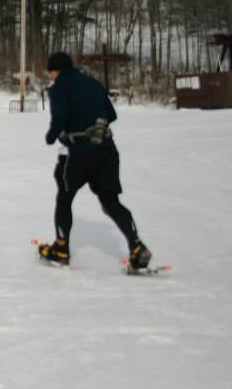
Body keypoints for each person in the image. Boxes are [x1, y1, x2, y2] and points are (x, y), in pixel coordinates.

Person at [36, 52, 152, 271]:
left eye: (50, 72)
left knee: (64, 199)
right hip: (106, 151)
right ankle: (137, 247)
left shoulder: (60, 87)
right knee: (111, 202)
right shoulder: (94, 83)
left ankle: (61, 249)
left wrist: (51, 136)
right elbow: (112, 115)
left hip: (76, 154)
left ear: (56, 70)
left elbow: (59, 118)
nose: (50, 77)